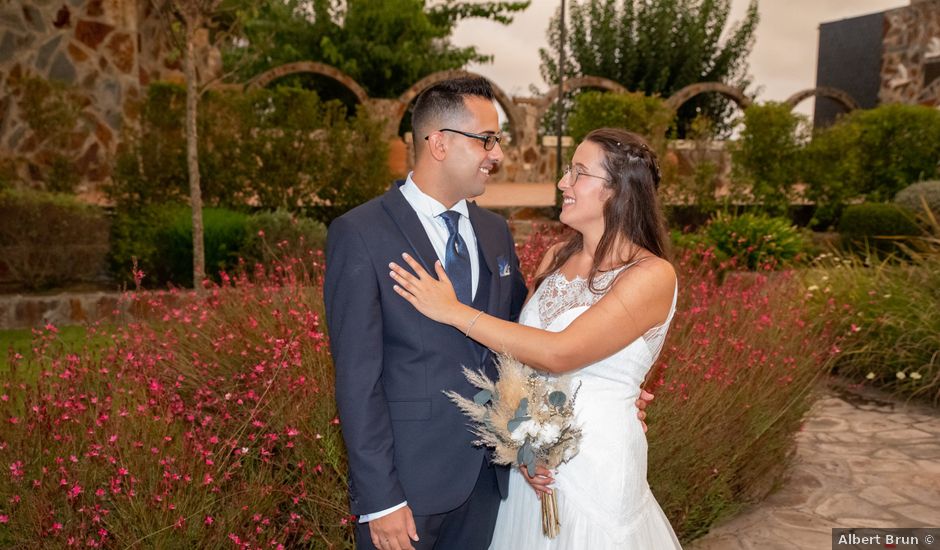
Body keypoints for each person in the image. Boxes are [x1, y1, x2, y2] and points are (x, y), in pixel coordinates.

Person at [326, 77, 653, 550]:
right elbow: (357, 380)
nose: (496, 154)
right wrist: (380, 499)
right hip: (406, 490)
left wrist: (602, 394)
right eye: (487, 139)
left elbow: (521, 339)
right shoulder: (360, 234)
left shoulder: (494, 231)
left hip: (490, 486)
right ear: (438, 143)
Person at [388, 128, 683, 549]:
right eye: (568, 170)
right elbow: (518, 359)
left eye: (578, 172)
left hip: (597, 464)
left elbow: (559, 353)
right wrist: (520, 441)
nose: (563, 182)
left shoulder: (651, 275)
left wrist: (452, 311)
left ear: (617, 191)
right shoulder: (556, 258)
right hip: (535, 465)